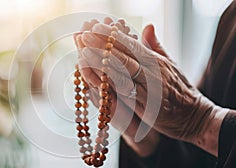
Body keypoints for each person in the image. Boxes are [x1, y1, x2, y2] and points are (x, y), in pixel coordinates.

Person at [73, 1, 236, 167]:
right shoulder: (231, 18)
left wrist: (202, 122)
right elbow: (200, 155)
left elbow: (200, 118)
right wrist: (148, 139)